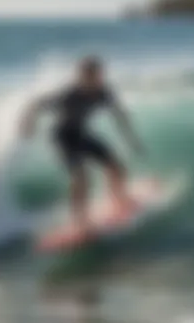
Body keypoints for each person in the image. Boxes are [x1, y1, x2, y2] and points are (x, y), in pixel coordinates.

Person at [22, 56, 142, 232]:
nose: (93, 79)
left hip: (81, 134)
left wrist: (131, 139)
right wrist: (28, 124)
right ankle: (79, 220)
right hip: (63, 138)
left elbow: (119, 114)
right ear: (81, 76)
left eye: (96, 75)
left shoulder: (104, 92)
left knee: (116, 166)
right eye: (87, 76)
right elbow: (36, 103)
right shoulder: (69, 95)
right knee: (81, 178)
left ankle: (118, 198)